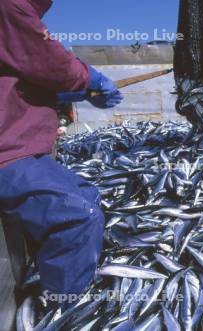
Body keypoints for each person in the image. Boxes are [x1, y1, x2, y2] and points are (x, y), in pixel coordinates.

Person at [0, 0, 123, 308]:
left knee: (89, 196)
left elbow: (21, 73)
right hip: (8, 152)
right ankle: (65, 312)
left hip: (22, 147)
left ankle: (55, 283)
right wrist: (87, 79)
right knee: (78, 217)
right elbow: (45, 59)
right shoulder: (8, 5)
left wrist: (72, 91)